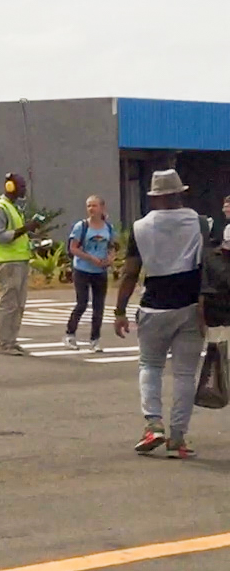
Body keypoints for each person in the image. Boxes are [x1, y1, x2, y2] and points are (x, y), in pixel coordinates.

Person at [113, 169, 206, 459]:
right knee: (184, 374)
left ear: (154, 198)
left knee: (150, 366)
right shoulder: (200, 223)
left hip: (153, 306)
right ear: (180, 194)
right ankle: (178, 437)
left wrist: (119, 310)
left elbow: (130, 273)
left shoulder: (141, 227)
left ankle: (153, 425)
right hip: (192, 306)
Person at [0, 173, 39, 355]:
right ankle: (4, 343)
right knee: (9, 304)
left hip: (19, 261)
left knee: (19, 304)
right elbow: (1, 236)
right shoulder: (1, 209)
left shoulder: (13, 208)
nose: (24, 190)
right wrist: (25, 228)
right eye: (22, 186)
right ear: (10, 187)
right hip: (7, 263)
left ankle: (12, 340)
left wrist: (30, 236)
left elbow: (16, 234)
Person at [64, 196, 114, 351]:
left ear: (102, 207)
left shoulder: (108, 228)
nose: (91, 209)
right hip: (82, 269)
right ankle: (70, 334)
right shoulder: (82, 226)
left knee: (99, 307)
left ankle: (95, 339)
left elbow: (112, 246)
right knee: (82, 303)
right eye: (89, 206)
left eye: (94, 205)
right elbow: (73, 248)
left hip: (100, 271)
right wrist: (90, 258)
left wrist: (110, 259)